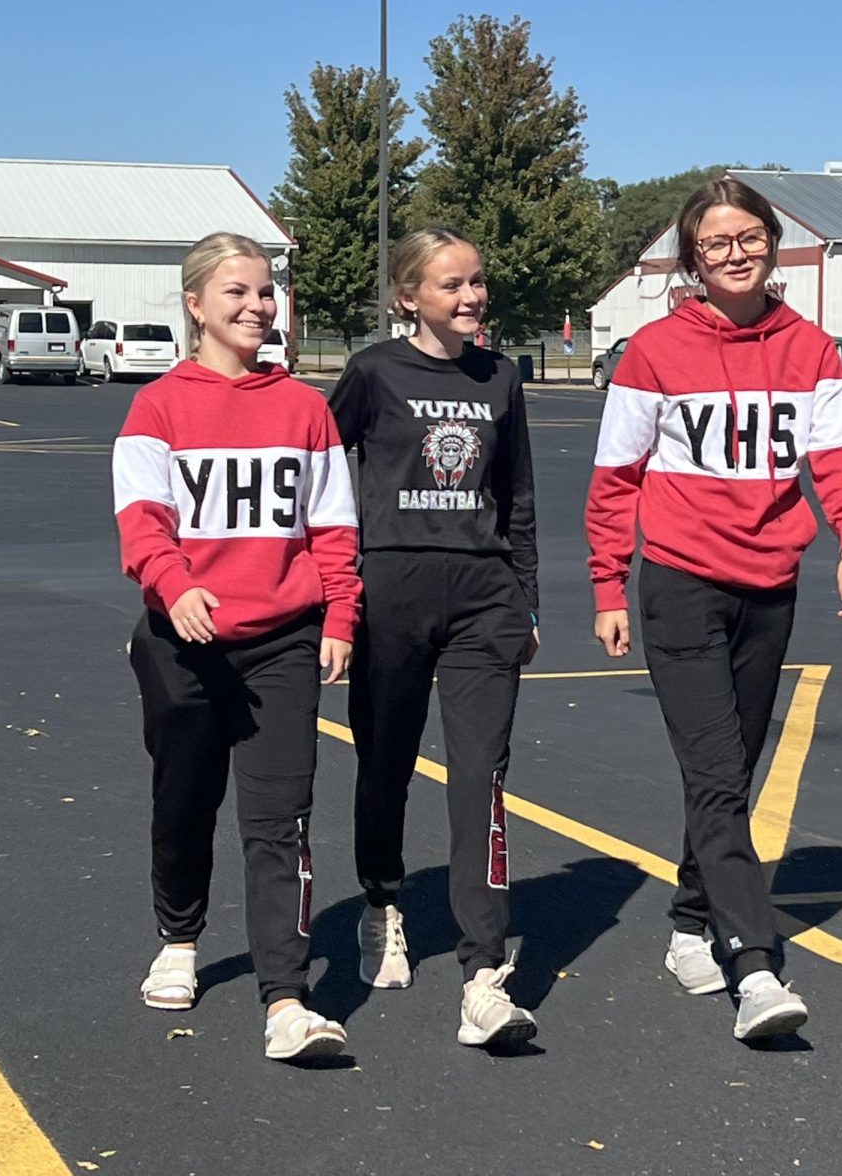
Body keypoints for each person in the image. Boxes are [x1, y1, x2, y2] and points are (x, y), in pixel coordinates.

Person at [584, 178, 842, 1041]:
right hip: (679, 583)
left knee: (733, 769)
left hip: (769, 587)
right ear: (692, 260)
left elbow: (838, 461)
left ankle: (685, 918)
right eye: (715, 244)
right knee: (715, 773)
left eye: (748, 237)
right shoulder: (652, 352)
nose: (735, 253)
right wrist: (608, 584)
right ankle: (753, 964)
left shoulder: (811, 350)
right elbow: (614, 479)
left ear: (771, 244)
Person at [112, 232, 361, 1061]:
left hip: (283, 643)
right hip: (184, 642)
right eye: (237, 293)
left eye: (265, 293)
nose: (257, 306)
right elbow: (142, 521)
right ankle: (178, 939)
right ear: (195, 306)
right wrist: (175, 584)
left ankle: (286, 999)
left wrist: (338, 618)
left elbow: (331, 527)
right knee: (185, 801)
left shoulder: (304, 408)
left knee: (280, 820)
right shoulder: (157, 406)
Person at [328, 226, 540, 1048]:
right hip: (391, 595)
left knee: (479, 776)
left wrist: (524, 599)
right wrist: (333, 581)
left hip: (482, 598)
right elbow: (313, 465)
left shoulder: (502, 378)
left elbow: (516, 494)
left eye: (477, 281)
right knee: (384, 763)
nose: (471, 296)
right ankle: (381, 902)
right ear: (408, 296)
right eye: (452, 285)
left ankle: (483, 968)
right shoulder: (374, 372)